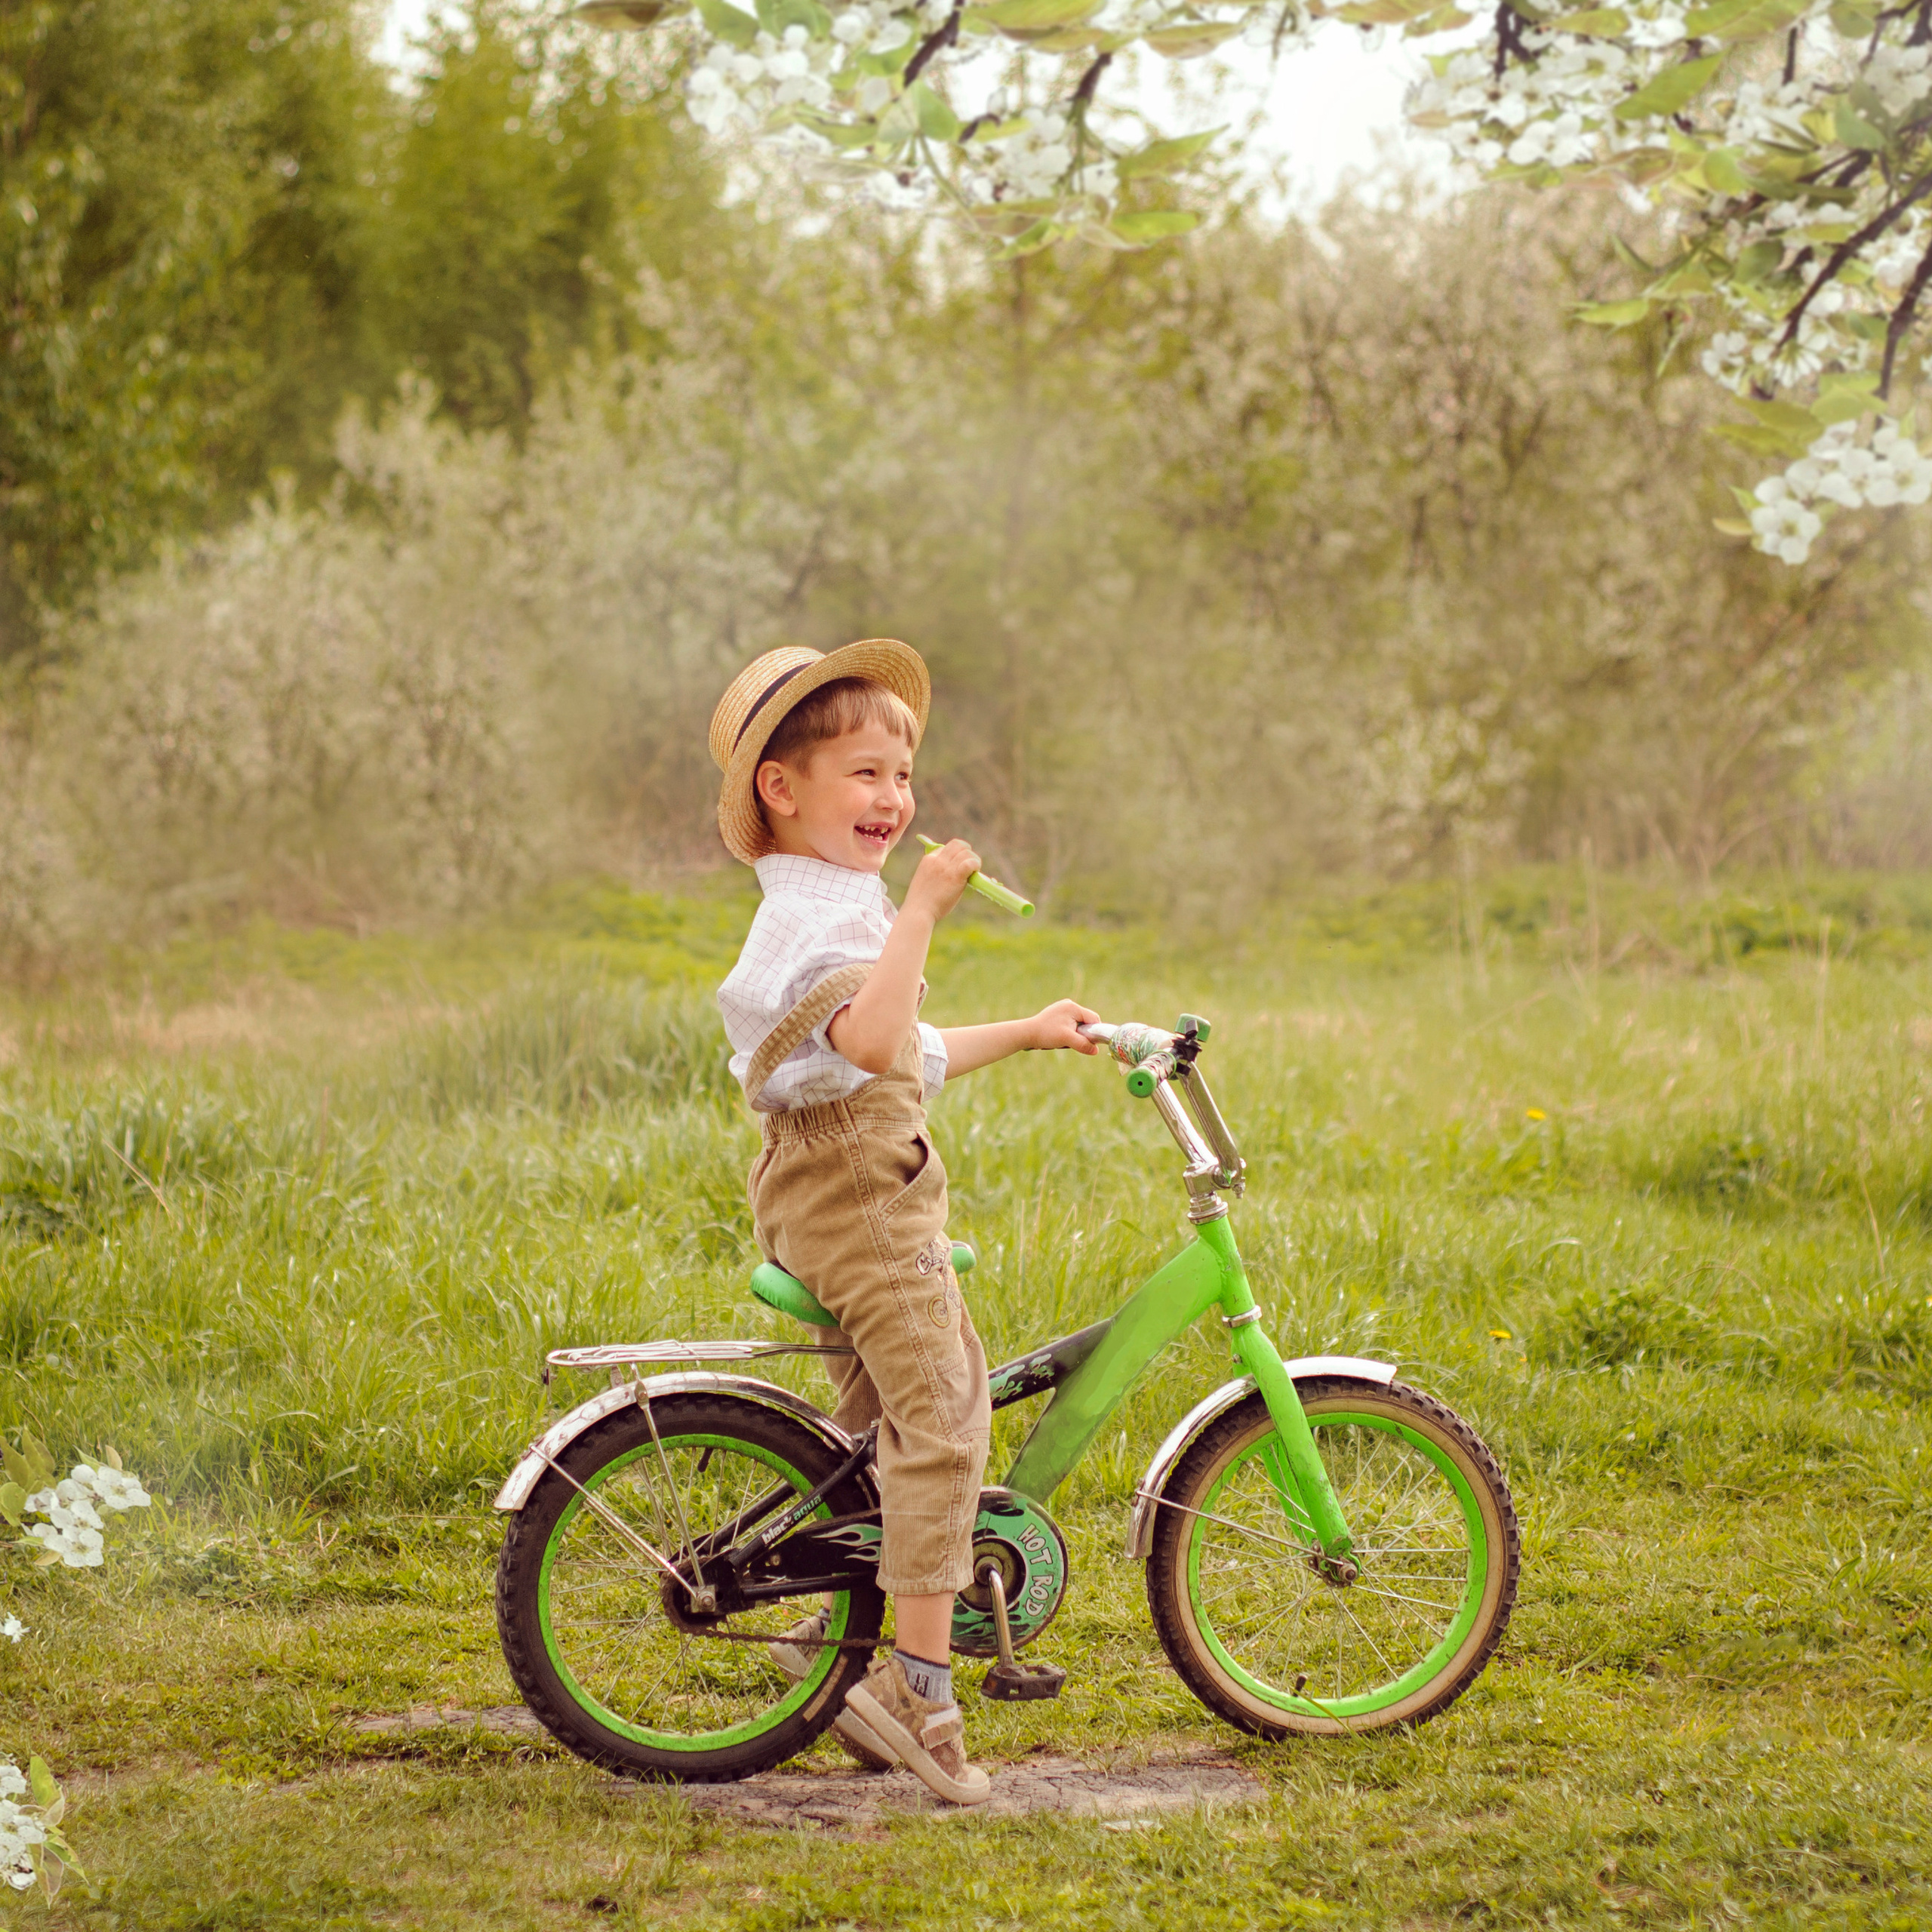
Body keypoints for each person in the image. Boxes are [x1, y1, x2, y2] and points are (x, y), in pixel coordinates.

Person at [709, 640, 1097, 1805]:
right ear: (783, 788)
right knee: (943, 1419)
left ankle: (826, 1641)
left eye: (904, 774)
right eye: (867, 774)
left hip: (839, 1190)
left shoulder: (829, 904)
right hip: (864, 1206)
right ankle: (916, 1696)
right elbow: (872, 1043)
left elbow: (900, 1053)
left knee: (881, 1425)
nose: (896, 800)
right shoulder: (827, 924)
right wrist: (926, 910)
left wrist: (1025, 1030)